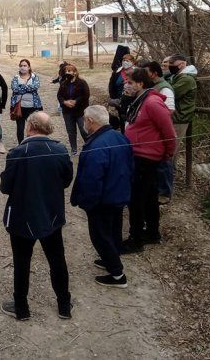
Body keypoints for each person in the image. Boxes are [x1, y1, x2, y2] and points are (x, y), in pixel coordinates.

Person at [0, 112, 74, 321]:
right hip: (51, 215)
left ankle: (21, 309)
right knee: (57, 260)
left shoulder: (17, 152)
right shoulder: (59, 150)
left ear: (30, 126)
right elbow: (67, 180)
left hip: (22, 217)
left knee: (22, 263)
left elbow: (5, 187)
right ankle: (64, 305)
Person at [71, 105, 134, 288]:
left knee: (100, 236)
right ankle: (111, 258)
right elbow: (131, 167)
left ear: (90, 121)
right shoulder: (120, 137)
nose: (83, 122)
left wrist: (88, 203)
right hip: (119, 194)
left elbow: (92, 179)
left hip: (102, 200)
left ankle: (117, 274)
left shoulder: (96, 146)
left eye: (84, 118)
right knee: (114, 231)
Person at [122, 68, 177, 253]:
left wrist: (167, 154)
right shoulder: (140, 100)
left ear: (141, 84)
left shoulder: (152, 103)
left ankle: (135, 239)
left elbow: (169, 132)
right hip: (138, 155)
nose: (126, 85)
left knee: (136, 199)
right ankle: (152, 233)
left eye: (130, 82)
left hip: (146, 157)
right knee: (149, 196)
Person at [146, 62, 176, 204]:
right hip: (153, 130)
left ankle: (165, 192)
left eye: (147, 72)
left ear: (154, 73)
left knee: (164, 162)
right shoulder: (152, 86)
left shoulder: (165, 89)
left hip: (161, 129)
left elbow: (169, 110)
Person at [57, 64, 90, 155]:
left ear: (75, 72)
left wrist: (75, 101)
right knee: (71, 130)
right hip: (67, 111)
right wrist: (64, 102)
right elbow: (59, 95)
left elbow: (86, 95)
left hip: (80, 111)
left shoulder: (82, 82)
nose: (67, 73)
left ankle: (89, 146)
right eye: (66, 71)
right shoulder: (64, 83)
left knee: (83, 129)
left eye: (69, 71)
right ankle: (74, 149)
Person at [167, 54, 197, 152]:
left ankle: (170, 167)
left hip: (179, 117)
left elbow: (171, 92)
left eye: (173, 64)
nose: (170, 66)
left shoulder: (187, 79)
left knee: (171, 148)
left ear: (182, 64)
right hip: (174, 116)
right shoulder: (176, 76)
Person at [9, 59, 42, 142]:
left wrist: (21, 86)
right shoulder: (16, 78)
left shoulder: (34, 77)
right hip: (20, 108)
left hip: (33, 108)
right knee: (20, 129)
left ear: (29, 67)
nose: (23, 67)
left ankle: (33, 144)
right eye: (21, 66)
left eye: (25, 66)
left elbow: (35, 87)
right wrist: (28, 88)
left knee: (34, 128)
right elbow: (15, 89)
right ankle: (21, 145)